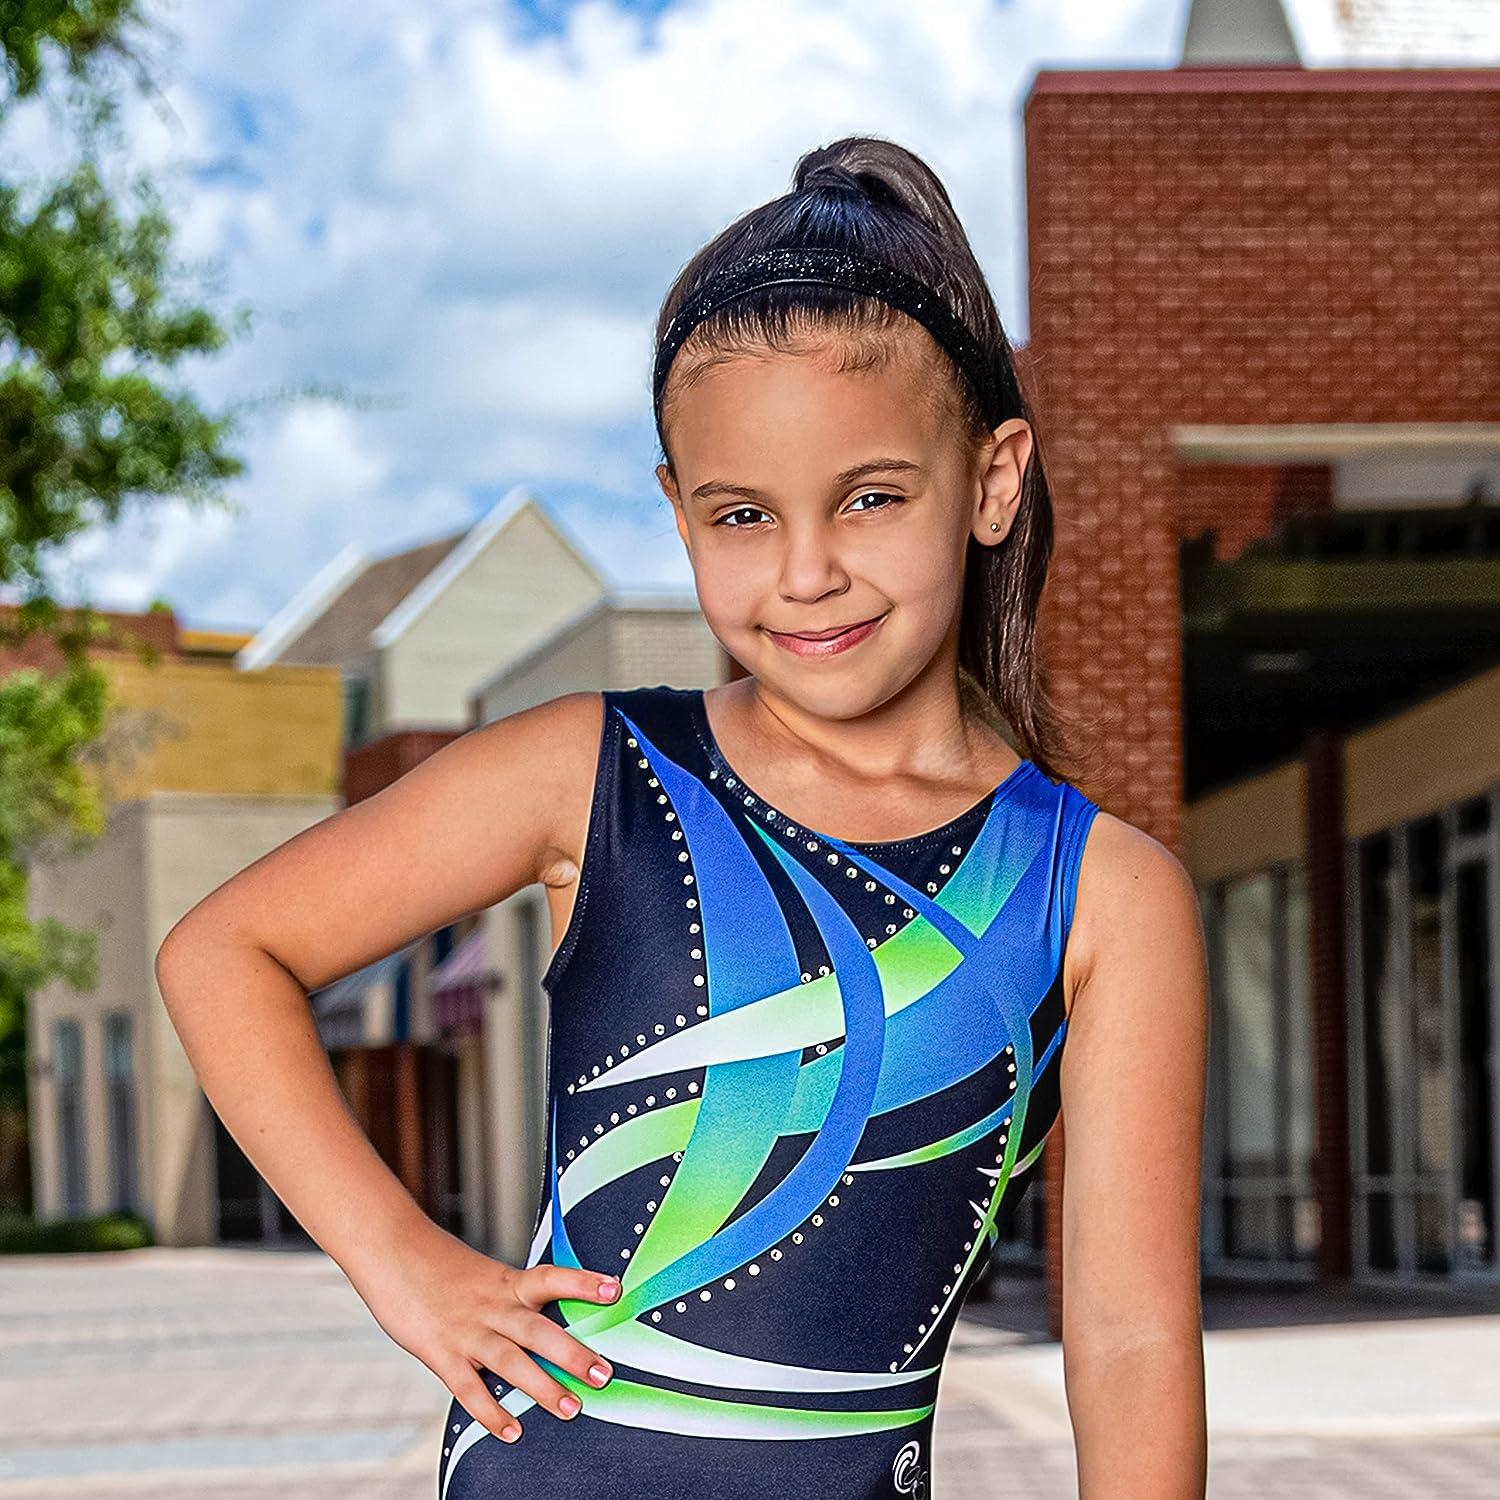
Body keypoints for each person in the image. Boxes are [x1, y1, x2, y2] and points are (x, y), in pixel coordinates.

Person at [156, 135, 1208, 1499]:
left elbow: (1127, 1339)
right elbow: (223, 954)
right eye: (741, 516)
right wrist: (407, 1267)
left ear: (995, 481)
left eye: (872, 498)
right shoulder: (589, 772)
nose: (808, 572)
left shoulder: (1098, 891)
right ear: (677, 510)